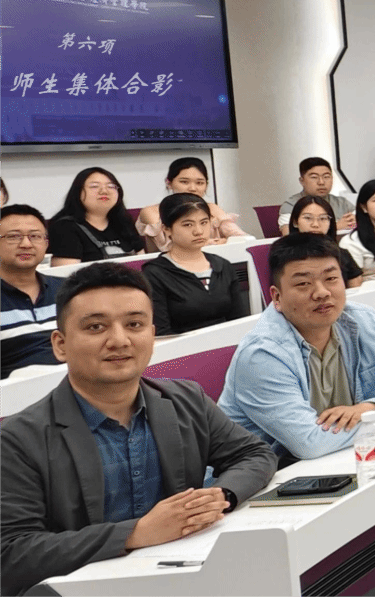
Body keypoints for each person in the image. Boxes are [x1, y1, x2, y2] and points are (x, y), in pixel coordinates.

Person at [0, 264, 276, 597]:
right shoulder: (18, 439)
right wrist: (136, 533)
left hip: (186, 579)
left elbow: (254, 453)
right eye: (96, 326)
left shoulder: (185, 399)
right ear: (60, 344)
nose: (119, 340)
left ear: (152, 334)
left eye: (134, 324)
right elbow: (12, 554)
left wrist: (222, 494)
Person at [219, 233, 375, 458]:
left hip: (343, 456)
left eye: (331, 279)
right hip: (270, 471)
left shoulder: (367, 322)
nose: (322, 292)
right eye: (303, 283)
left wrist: (369, 408)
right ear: (277, 297)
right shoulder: (262, 355)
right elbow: (309, 443)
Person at [141, 194, 248, 335]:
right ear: (166, 229)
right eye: (188, 224)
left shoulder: (222, 265)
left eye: (204, 222)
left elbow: (239, 321)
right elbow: (161, 333)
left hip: (228, 343)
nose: (198, 231)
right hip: (182, 346)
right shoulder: (155, 273)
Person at [0, 206, 62, 379]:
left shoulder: (70, 290)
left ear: (46, 244)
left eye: (35, 236)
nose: (26, 244)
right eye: (13, 236)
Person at [134, 157, 247, 250]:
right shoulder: (153, 212)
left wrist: (229, 240)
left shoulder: (212, 208)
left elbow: (242, 238)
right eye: (184, 182)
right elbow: (170, 248)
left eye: (199, 183)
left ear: (206, 185)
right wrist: (219, 242)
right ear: (169, 183)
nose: (192, 188)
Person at [46, 168, 147, 266]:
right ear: (78, 192)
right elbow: (66, 273)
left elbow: (143, 263)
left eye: (111, 186)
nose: (104, 191)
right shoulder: (65, 227)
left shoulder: (124, 223)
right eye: (94, 186)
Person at [286, 196, 364, 287]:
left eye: (323, 218)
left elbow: (356, 289)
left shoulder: (341, 254)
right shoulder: (284, 255)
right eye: (308, 218)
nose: (315, 224)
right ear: (295, 222)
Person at [273, 157, 354, 233]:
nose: (321, 182)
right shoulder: (291, 205)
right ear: (302, 181)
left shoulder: (342, 203)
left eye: (326, 177)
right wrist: (335, 227)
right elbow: (289, 237)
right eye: (314, 177)